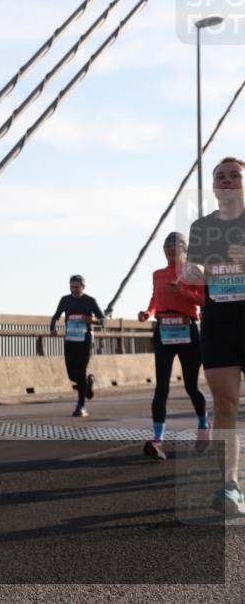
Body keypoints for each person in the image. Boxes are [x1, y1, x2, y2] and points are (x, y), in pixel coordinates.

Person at [183, 156, 245, 518]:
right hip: (220, 325)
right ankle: (231, 485)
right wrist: (195, 270)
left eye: (234, 175)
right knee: (225, 407)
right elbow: (199, 266)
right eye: (220, 176)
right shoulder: (202, 227)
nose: (226, 180)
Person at [137, 231, 208, 460]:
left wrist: (183, 291)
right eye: (167, 246)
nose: (170, 249)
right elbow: (155, 298)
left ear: (184, 249)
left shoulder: (193, 271)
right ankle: (157, 440)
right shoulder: (157, 274)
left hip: (187, 330)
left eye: (175, 245)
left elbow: (205, 300)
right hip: (164, 330)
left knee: (190, 386)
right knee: (162, 387)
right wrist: (148, 313)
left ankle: (204, 424)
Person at [50, 275, 105, 417]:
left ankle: (81, 406)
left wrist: (92, 320)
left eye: (77, 287)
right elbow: (55, 316)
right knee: (72, 374)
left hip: (85, 342)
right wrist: (53, 328)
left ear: (83, 287)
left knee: (80, 370)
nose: (74, 290)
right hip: (70, 341)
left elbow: (103, 320)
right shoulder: (65, 300)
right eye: (72, 287)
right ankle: (88, 381)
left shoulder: (90, 301)